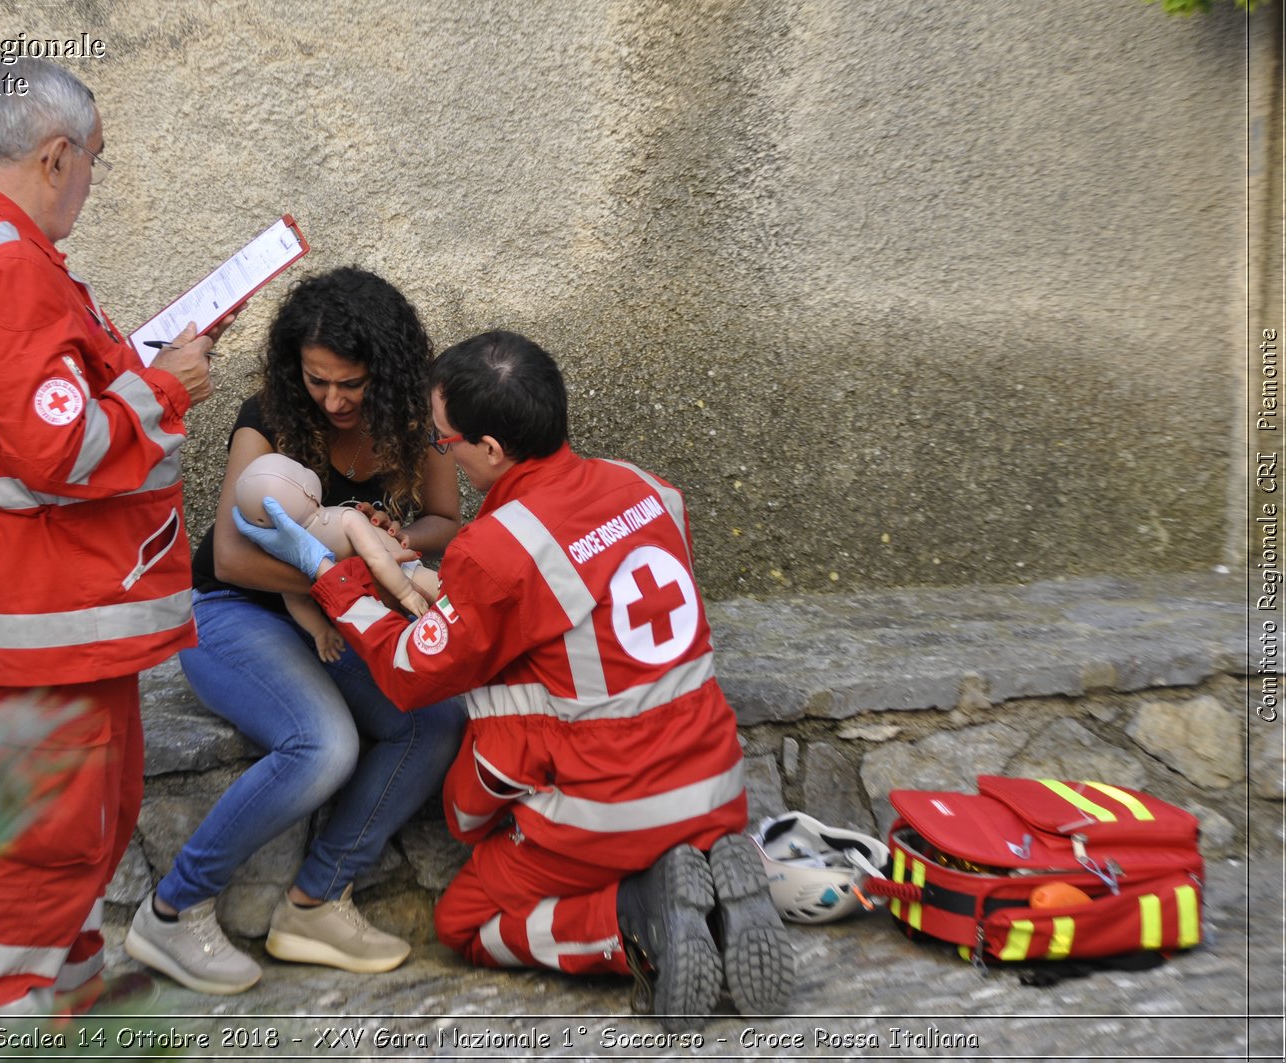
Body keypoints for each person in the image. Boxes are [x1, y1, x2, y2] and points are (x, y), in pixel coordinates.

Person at [238, 330, 795, 1028]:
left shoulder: (500, 546)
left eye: (445, 441)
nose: (442, 451)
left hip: (609, 808)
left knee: (465, 922)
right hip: (716, 785)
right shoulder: (650, 489)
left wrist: (331, 577)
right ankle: (696, 891)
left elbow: (411, 674)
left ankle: (636, 922)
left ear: (491, 450)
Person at [0, 59, 235, 1019]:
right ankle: (16, 1019)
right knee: (55, 833)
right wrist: (165, 387)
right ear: (54, 155)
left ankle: (70, 996)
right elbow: (58, 447)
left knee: (94, 812)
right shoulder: (6, 261)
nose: (93, 178)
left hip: (53, 597)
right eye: (95, 160)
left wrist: (144, 360)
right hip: (47, 597)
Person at [124, 267, 467, 994]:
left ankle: (314, 900)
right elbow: (234, 556)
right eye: (319, 381)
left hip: (340, 614)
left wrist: (394, 539)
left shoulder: (414, 420)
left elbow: (444, 518)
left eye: (353, 383)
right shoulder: (269, 416)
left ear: (391, 371)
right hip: (234, 611)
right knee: (323, 743)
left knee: (435, 718)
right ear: (293, 368)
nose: (336, 400)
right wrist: (351, 572)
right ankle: (172, 907)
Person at [234, 452, 438, 661]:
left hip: (366, 608)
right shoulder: (345, 517)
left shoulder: (290, 556)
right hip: (405, 575)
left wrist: (321, 631)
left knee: (406, 652)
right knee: (448, 600)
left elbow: (296, 601)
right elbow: (377, 558)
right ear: (309, 490)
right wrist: (406, 593)